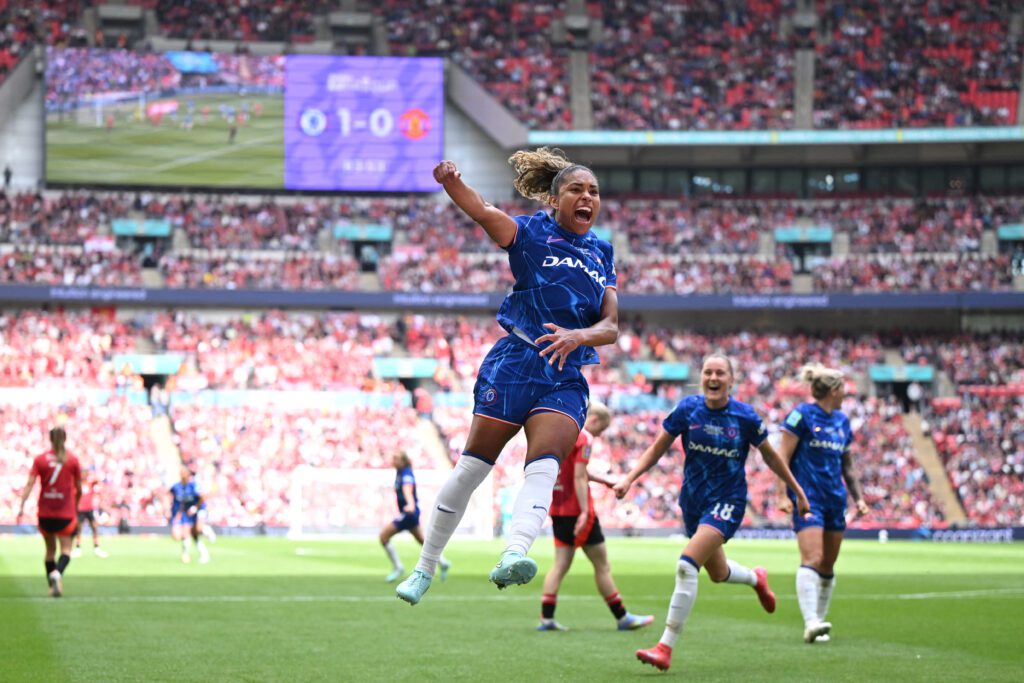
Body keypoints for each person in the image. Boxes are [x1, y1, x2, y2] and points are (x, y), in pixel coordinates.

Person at [397, 148, 618, 605]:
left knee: (545, 462)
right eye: (577, 189)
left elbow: (611, 326)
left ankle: (514, 554)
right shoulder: (531, 232)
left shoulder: (602, 251)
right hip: (516, 360)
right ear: (554, 200)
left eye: (594, 191)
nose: (587, 197)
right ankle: (424, 567)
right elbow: (482, 211)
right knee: (474, 466)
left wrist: (579, 336)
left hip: (565, 372)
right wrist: (451, 181)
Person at [613, 353, 811, 672]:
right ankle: (756, 578)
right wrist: (629, 478)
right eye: (708, 372)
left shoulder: (745, 417)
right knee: (717, 574)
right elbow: (656, 448)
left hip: (728, 501)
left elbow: (772, 457)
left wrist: (796, 490)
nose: (713, 378)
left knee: (686, 564)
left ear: (731, 380)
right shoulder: (688, 409)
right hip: (693, 501)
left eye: (720, 373)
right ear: (701, 377)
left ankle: (665, 647)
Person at [537, 401, 653, 632]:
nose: (598, 436)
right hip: (576, 510)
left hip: (558, 509)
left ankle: (546, 618)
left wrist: (607, 481)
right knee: (602, 565)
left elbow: (576, 472)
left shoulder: (562, 433)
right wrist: (585, 511)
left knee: (560, 564)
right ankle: (622, 617)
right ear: (594, 420)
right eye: (600, 431)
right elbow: (579, 477)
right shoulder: (584, 438)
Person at [775, 363, 870, 644]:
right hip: (807, 498)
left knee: (828, 565)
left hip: (835, 499)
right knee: (812, 559)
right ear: (833, 390)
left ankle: (818, 622)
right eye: (844, 388)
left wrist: (859, 499)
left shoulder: (842, 421)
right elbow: (781, 456)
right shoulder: (801, 415)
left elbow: (848, 466)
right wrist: (782, 494)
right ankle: (810, 622)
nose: (846, 393)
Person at [16, 427, 83, 598]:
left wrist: (22, 506)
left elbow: (30, 484)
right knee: (66, 549)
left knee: (50, 551)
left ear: (50, 439)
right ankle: (57, 574)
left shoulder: (40, 460)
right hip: (65, 513)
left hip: (45, 513)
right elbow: (79, 489)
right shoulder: (73, 460)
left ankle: (53, 587)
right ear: (65, 439)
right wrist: (75, 506)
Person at [380, 452, 451, 583]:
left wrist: (410, 504)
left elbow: (408, 489)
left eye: (396, 458)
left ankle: (398, 567)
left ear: (403, 461)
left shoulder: (406, 474)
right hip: (410, 513)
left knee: (383, 536)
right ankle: (443, 562)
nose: (393, 460)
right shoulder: (400, 472)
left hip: (409, 513)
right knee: (422, 541)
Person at [170, 467, 210, 564]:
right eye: (181, 473)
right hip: (186, 513)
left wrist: (195, 507)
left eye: (184, 473)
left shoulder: (193, 485)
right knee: (187, 534)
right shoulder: (177, 487)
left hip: (197, 511)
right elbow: (171, 495)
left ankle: (205, 530)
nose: (182, 475)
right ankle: (193, 554)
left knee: (196, 531)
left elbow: (203, 497)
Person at [72, 470, 109, 558]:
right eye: (83, 474)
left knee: (94, 528)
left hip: (89, 509)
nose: (84, 475)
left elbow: (99, 479)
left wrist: (92, 476)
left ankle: (97, 548)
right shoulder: (77, 484)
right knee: (79, 529)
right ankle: (78, 548)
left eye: (85, 474)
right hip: (80, 509)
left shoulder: (90, 483)